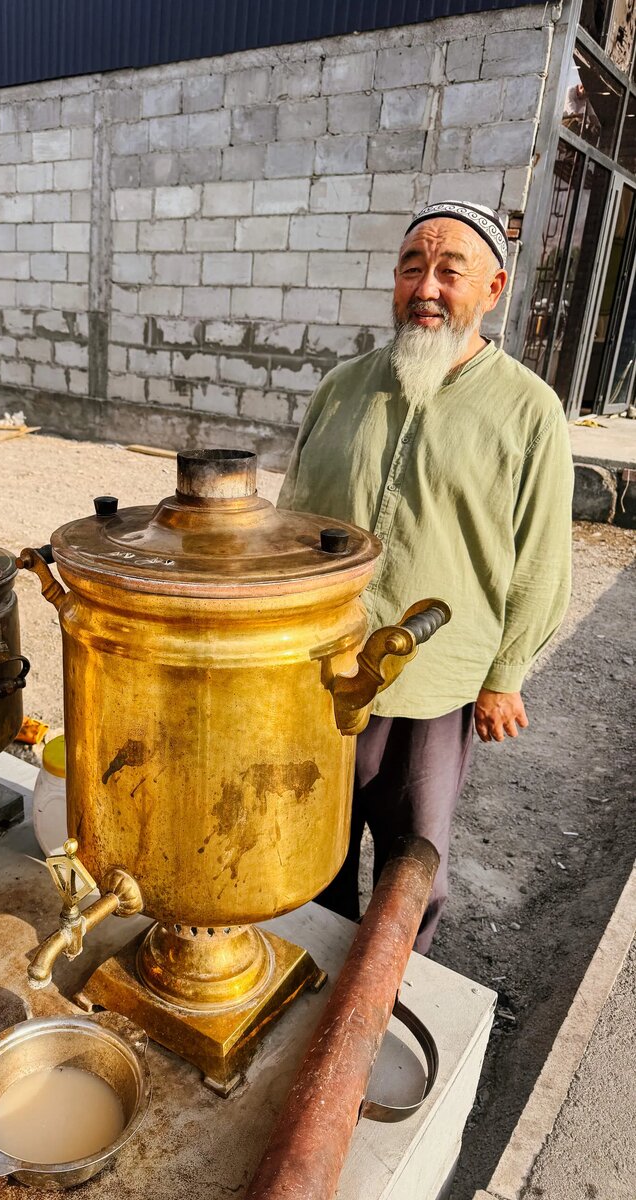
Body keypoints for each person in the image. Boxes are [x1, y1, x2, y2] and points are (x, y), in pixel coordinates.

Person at [278, 201, 573, 952]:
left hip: (433, 682)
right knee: (311, 843)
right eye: (412, 268)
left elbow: (542, 556)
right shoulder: (342, 387)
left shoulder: (529, 410)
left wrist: (507, 674)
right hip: (325, 665)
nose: (427, 288)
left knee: (412, 867)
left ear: (494, 289)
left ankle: (388, 995)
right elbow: (289, 518)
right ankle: (313, 978)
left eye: (450, 270)